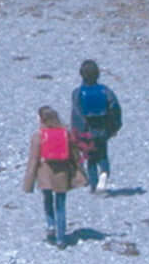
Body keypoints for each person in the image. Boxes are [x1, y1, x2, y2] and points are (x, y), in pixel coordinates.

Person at [23, 104, 83, 243]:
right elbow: (75, 155)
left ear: (41, 119)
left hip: (44, 173)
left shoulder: (38, 136)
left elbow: (33, 160)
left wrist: (28, 183)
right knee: (61, 205)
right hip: (61, 173)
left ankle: (51, 225)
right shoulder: (65, 134)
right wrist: (79, 172)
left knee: (48, 200)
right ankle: (61, 238)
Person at [69, 59, 124, 193]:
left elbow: (77, 114)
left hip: (87, 130)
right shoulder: (105, 91)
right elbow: (115, 108)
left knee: (91, 158)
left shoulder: (77, 92)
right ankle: (104, 173)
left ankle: (94, 186)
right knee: (103, 154)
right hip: (103, 128)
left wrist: (77, 132)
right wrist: (114, 127)